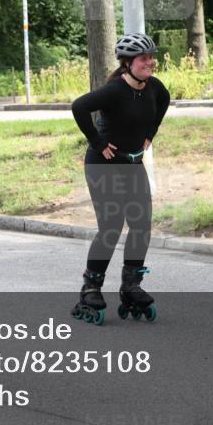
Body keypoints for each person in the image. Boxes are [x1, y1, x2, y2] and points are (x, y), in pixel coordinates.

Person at [69, 33, 171, 325]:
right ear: (127, 63)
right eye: (143, 58)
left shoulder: (154, 88)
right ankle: (91, 288)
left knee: (141, 225)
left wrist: (149, 135)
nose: (150, 62)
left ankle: (131, 286)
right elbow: (79, 107)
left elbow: (163, 102)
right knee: (111, 227)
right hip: (104, 165)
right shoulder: (114, 90)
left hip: (132, 163)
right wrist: (98, 141)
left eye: (152, 57)